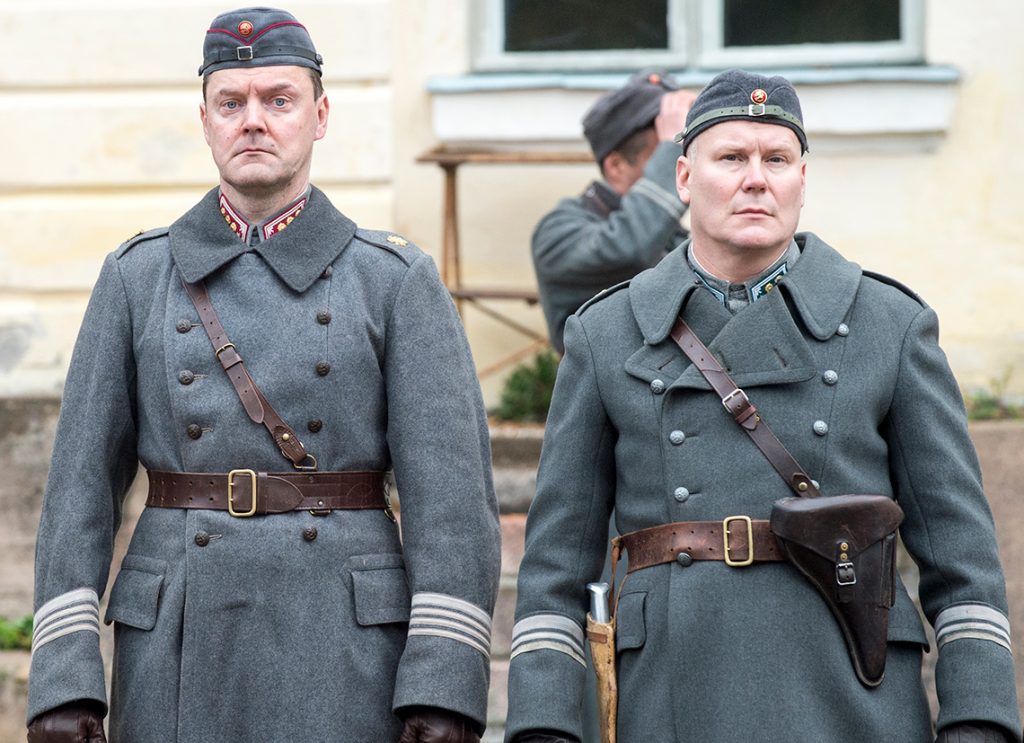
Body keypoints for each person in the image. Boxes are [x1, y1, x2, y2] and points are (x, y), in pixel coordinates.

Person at [26, 8, 500, 743]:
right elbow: (78, 493)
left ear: (320, 116)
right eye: (231, 102)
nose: (253, 121)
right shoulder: (136, 277)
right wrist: (63, 677)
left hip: (343, 640)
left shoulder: (394, 280)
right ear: (205, 121)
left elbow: (452, 505)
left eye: (279, 99)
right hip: (176, 632)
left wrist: (444, 685)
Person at [505, 70, 1021, 742]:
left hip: (850, 692)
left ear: (802, 179)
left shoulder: (890, 325)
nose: (756, 179)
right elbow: (555, 567)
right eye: (731, 158)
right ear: (684, 178)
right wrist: (543, 723)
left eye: (776, 159)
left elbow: (962, 556)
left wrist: (979, 719)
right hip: (670, 694)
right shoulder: (605, 334)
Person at [532, 70, 695, 354]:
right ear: (616, 166)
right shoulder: (556, 232)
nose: (683, 167)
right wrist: (672, 148)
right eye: (667, 155)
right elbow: (628, 248)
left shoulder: (668, 232)